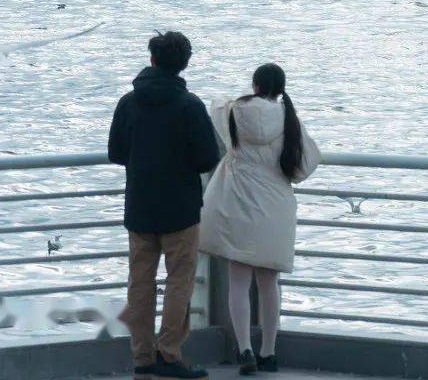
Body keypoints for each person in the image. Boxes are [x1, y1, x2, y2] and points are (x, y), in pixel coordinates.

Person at [108, 30, 221, 380]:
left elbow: (115, 152)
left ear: (152, 59)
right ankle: (169, 354)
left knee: (139, 284)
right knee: (179, 283)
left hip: (140, 207)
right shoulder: (190, 106)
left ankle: (142, 357)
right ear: (183, 64)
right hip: (181, 210)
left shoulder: (129, 102)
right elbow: (206, 158)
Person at [199, 63, 320, 375]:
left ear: (254, 85)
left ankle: (244, 349)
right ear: (281, 89)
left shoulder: (235, 112)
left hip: (238, 203)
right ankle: (269, 351)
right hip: (276, 207)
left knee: (238, 282)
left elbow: (215, 105)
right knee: (270, 283)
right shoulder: (290, 119)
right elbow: (307, 164)